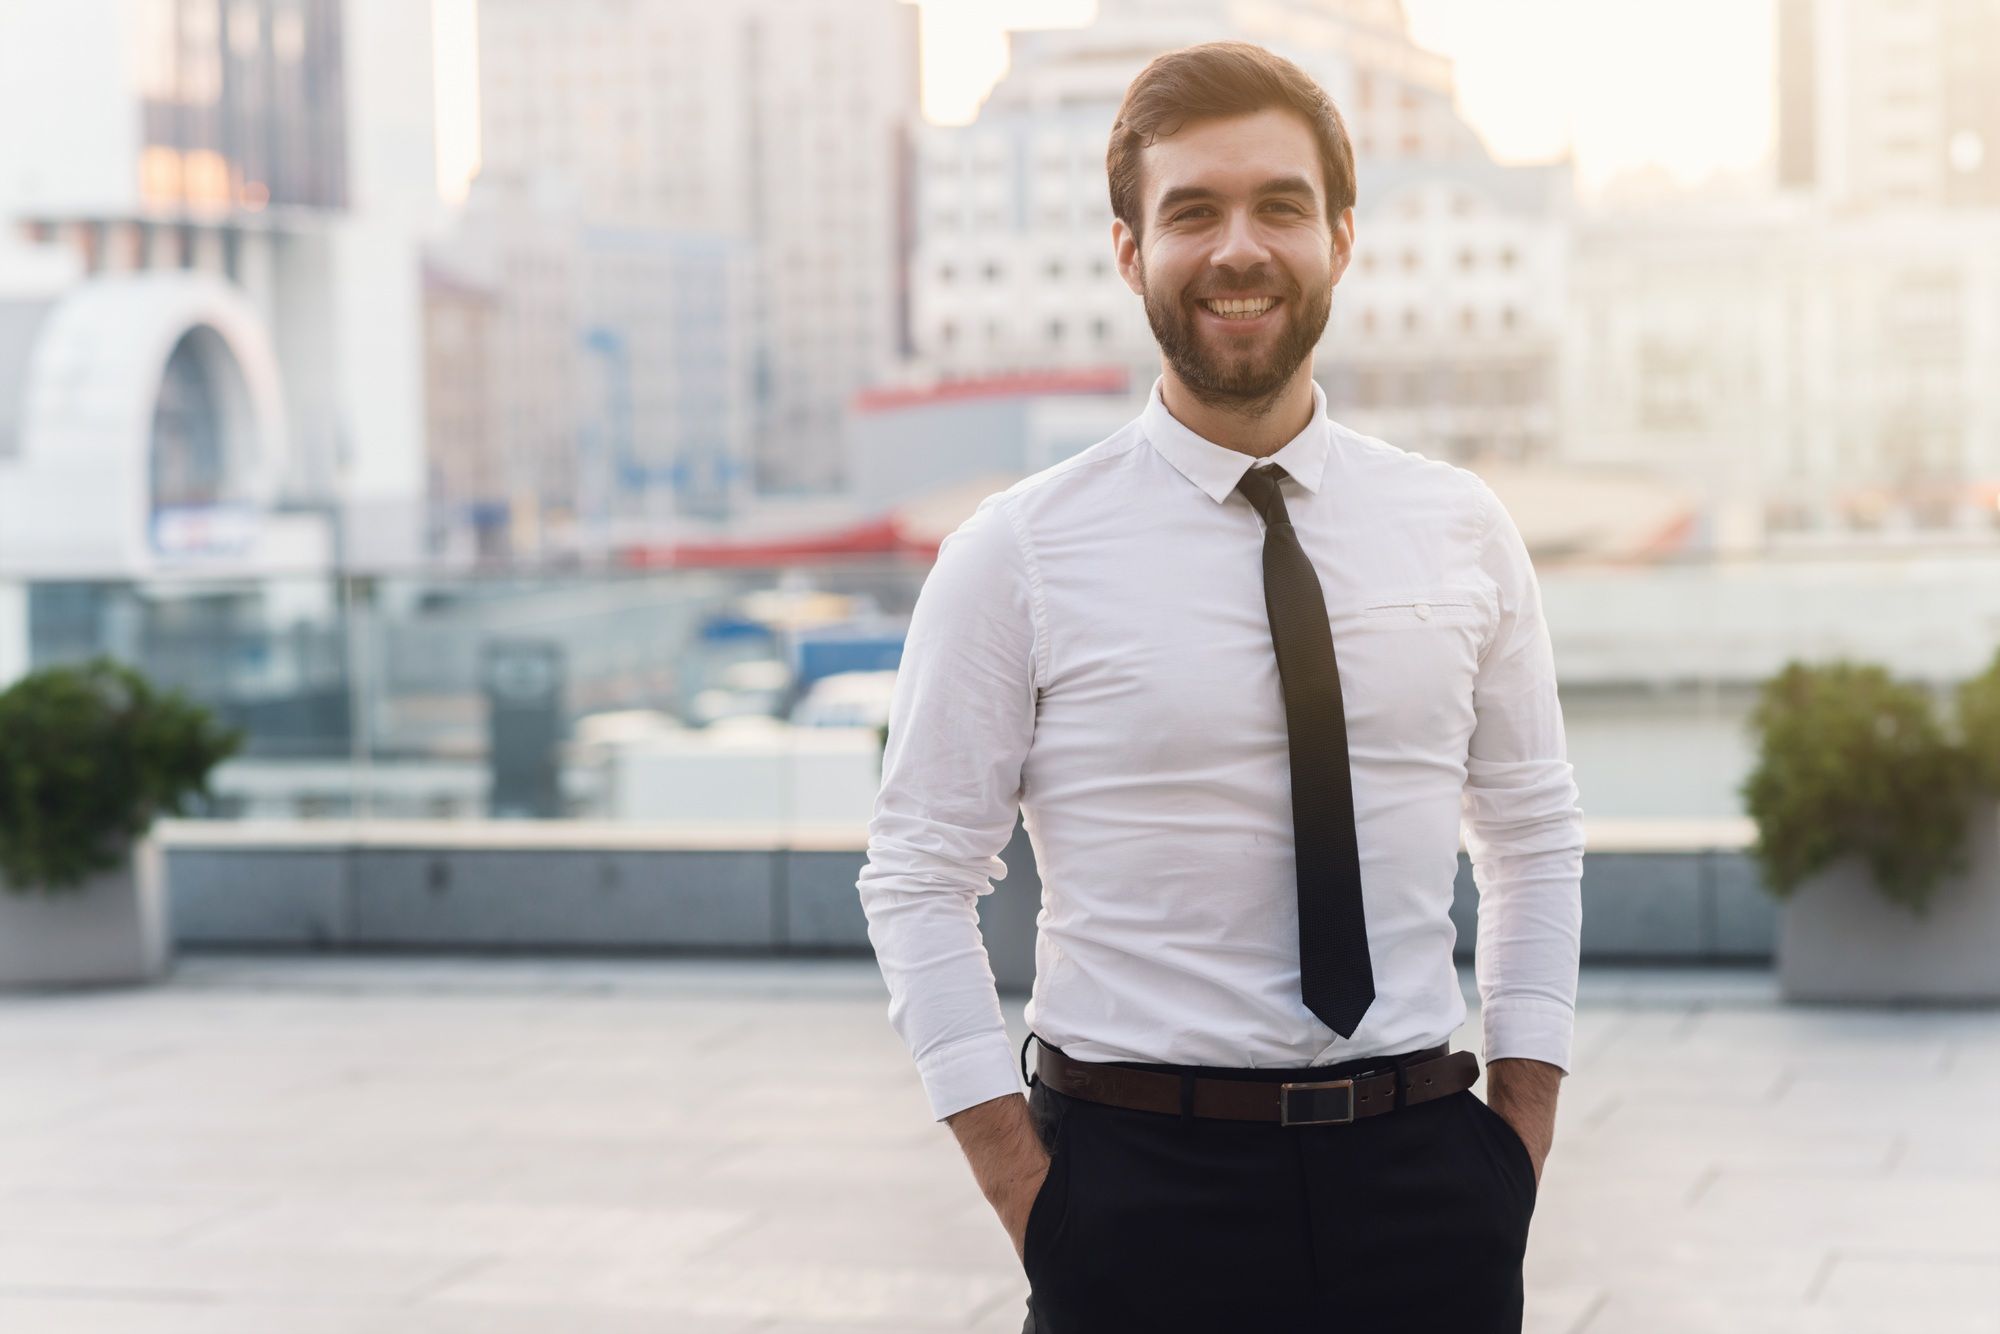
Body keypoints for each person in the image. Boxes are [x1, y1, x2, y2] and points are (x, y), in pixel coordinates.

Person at [856, 39, 1582, 1334]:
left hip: (1424, 1184)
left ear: (1342, 237)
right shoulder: (1015, 554)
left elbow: (1533, 835)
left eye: (1279, 206)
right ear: (1131, 251)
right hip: (1137, 1195)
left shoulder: (1460, 525)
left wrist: (1514, 1141)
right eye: (1192, 210)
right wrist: (1030, 1190)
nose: (1237, 247)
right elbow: (916, 870)